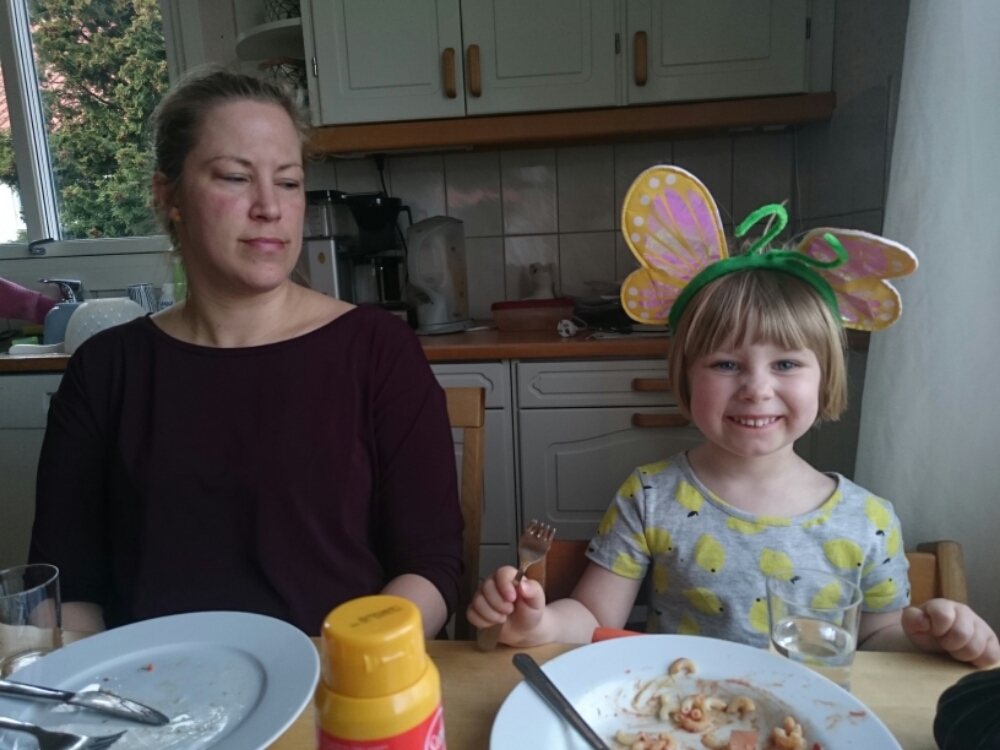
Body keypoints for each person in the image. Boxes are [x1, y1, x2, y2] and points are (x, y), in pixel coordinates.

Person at [468, 166, 999, 667]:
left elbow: (879, 642)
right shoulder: (650, 497)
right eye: (726, 364)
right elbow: (593, 619)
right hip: (680, 712)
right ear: (686, 378)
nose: (756, 389)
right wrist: (538, 624)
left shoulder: (870, 521)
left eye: (786, 364)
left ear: (825, 379)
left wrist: (929, 639)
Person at [29, 69, 464, 638]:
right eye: (235, 177)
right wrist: (98, 682)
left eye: (288, 182)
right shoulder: (106, 371)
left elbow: (431, 568)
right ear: (168, 195)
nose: (270, 207)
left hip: (337, 678)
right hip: (155, 685)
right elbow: (66, 592)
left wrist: (356, 664)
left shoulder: (378, 350)